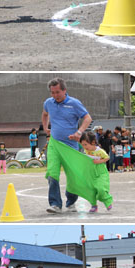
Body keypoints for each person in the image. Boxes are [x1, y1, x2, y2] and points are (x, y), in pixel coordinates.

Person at [42, 77, 92, 214]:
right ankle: (55, 204)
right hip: (54, 145)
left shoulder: (74, 103)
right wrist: (45, 128)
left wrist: (79, 132)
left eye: (57, 92)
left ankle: (71, 203)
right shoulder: (48, 103)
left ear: (64, 90)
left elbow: (88, 118)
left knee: (73, 176)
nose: (55, 95)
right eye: (52, 92)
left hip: (70, 146)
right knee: (52, 174)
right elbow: (45, 114)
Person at [79, 130, 113, 213]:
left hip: (101, 172)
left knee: (101, 188)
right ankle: (94, 205)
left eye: (86, 144)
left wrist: (99, 161)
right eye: (82, 145)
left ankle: (107, 200)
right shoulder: (86, 151)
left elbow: (107, 157)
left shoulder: (100, 151)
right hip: (90, 172)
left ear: (93, 142)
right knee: (91, 190)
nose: (84, 147)